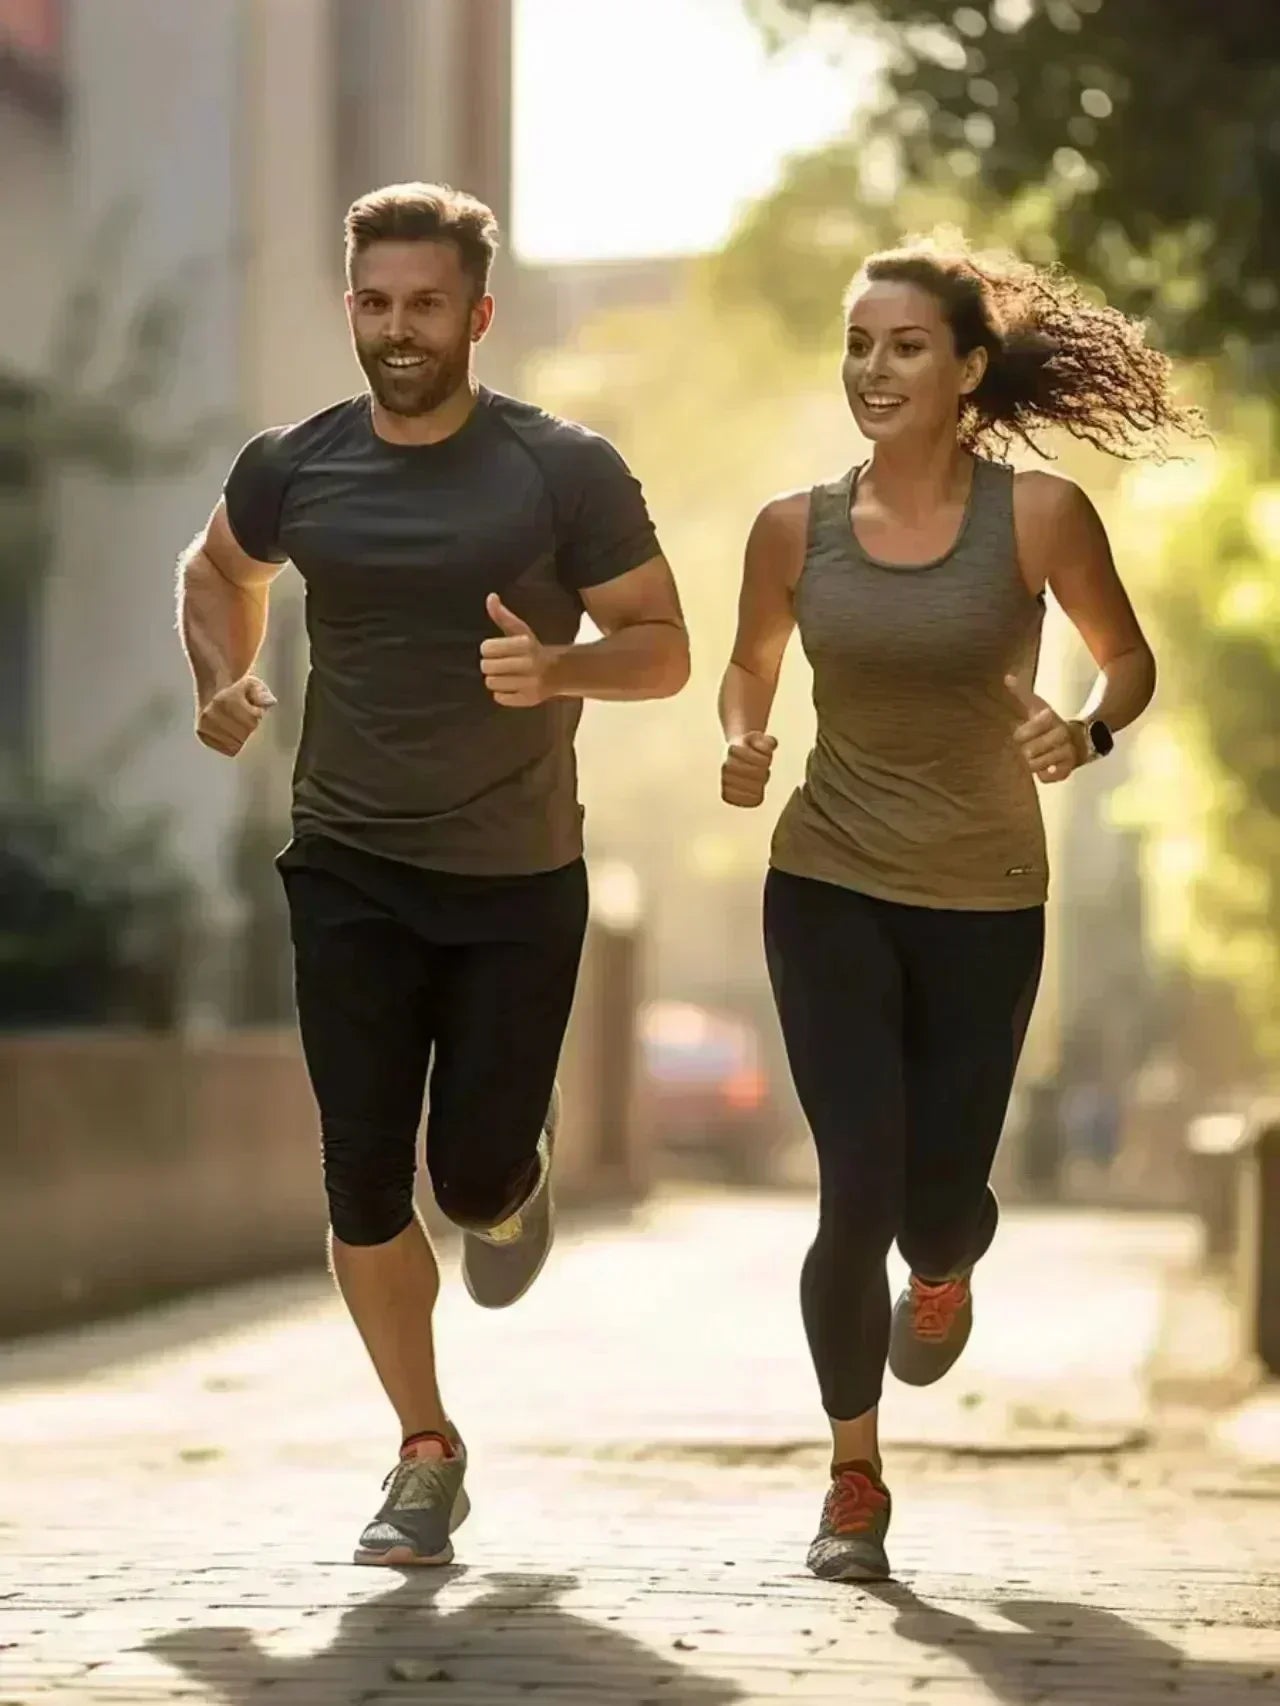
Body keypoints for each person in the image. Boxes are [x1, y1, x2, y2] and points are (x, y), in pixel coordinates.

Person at [177, 182, 688, 1566]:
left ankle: (506, 1184)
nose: (399, 330)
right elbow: (215, 569)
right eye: (375, 303)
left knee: (465, 1175)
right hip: (346, 858)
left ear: (477, 312)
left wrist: (563, 666)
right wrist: (223, 674)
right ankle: (424, 1446)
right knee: (358, 1171)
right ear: (350, 306)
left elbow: (663, 644)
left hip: (517, 874)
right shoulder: (295, 463)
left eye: (425, 304)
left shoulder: (561, 470)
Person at [717, 234, 1199, 1582]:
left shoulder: (1037, 519)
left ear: (968, 367)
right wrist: (746, 739)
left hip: (986, 896)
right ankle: (853, 1478)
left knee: (937, 1202)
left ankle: (950, 1262)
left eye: (907, 344)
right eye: (860, 344)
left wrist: (1086, 738)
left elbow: (1128, 660)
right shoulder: (789, 527)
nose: (875, 367)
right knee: (853, 1186)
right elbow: (749, 667)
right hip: (826, 880)